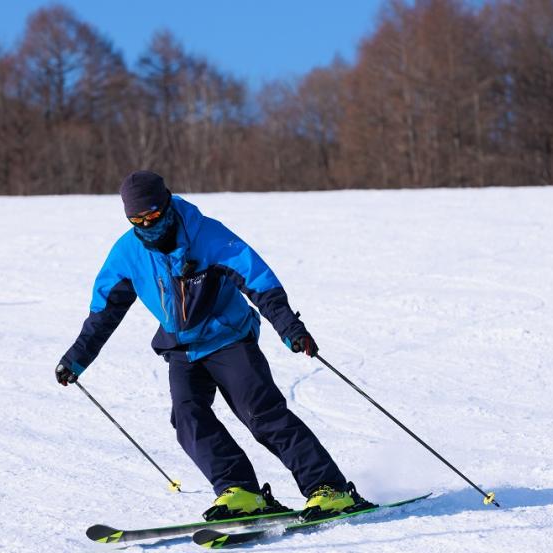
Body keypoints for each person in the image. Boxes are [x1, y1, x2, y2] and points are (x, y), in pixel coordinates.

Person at [55, 170, 374, 521]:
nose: (148, 225)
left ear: (167, 204)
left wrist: (290, 328)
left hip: (229, 339)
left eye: (153, 216)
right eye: (137, 220)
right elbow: (104, 312)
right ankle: (241, 492)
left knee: (262, 415)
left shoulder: (207, 235)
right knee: (188, 419)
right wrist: (76, 359)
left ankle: (329, 489)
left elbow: (258, 280)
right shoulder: (127, 253)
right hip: (182, 349)